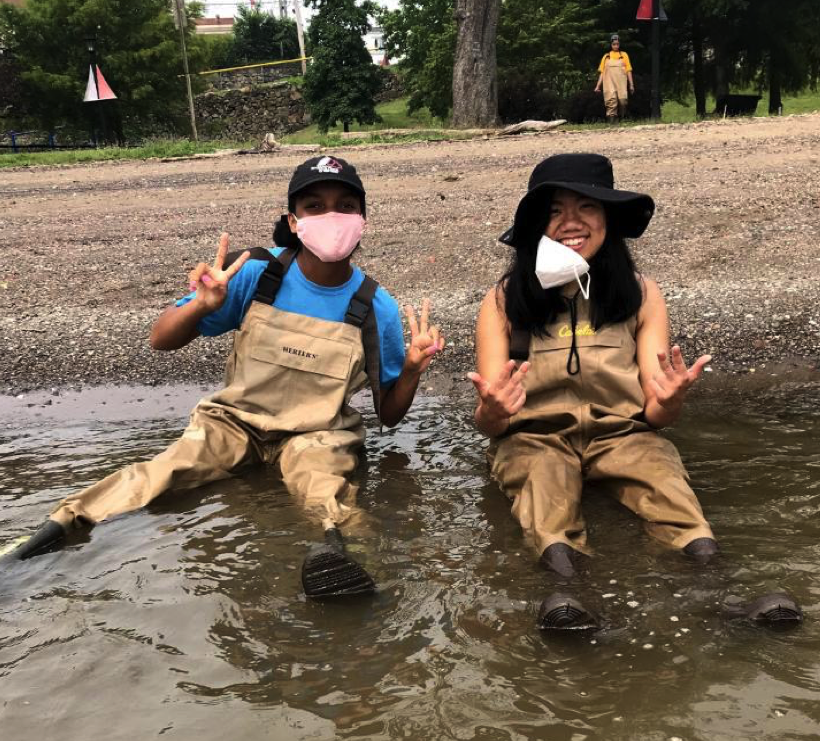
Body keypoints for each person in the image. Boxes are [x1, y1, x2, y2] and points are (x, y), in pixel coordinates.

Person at [4, 155, 444, 599]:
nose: (332, 216)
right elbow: (160, 339)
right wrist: (202, 305)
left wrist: (410, 370)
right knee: (160, 474)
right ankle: (44, 536)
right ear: (293, 221)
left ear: (362, 219)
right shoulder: (255, 271)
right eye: (315, 205)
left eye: (345, 205)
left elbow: (389, 415)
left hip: (317, 433)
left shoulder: (376, 306)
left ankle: (347, 564)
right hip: (233, 423)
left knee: (327, 494)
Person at [469, 153, 802, 630]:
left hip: (623, 434)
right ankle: (571, 596)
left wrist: (670, 401)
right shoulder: (503, 301)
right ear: (535, 226)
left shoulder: (641, 294)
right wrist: (493, 409)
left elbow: (655, 412)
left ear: (608, 219)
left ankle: (720, 596)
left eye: (586, 207)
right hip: (534, 438)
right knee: (542, 491)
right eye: (555, 210)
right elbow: (490, 423)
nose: (571, 223)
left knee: (668, 486)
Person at [594, 33, 634, 123]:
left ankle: (622, 117)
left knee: (623, 100)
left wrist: (631, 85)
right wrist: (598, 86)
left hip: (621, 83)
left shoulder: (624, 55)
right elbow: (602, 73)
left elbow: (629, 70)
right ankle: (612, 122)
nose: (616, 46)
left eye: (617, 44)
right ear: (611, 45)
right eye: (614, 44)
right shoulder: (606, 56)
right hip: (609, 83)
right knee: (611, 101)